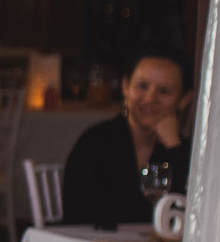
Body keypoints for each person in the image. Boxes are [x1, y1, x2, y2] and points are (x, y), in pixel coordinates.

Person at [60, 50, 194, 226]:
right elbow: (76, 215)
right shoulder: (96, 142)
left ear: (184, 99)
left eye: (164, 91)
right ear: (125, 87)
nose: (150, 98)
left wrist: (174, 148)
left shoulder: (182, 150)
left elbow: (187, 217)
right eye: (142, 86)